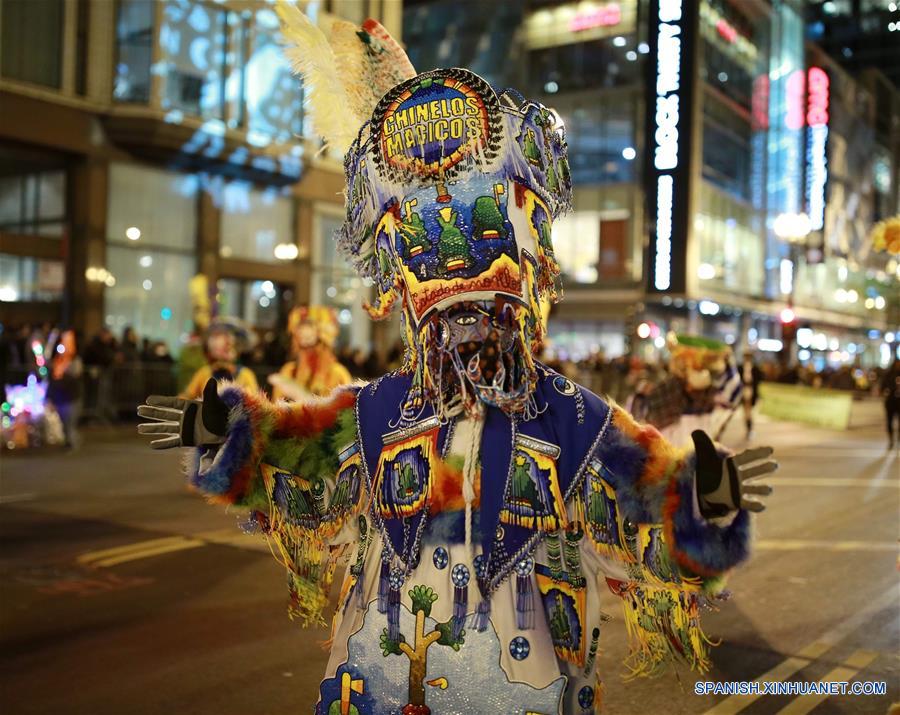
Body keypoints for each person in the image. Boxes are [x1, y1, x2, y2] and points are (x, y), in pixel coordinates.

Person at [138, 12, 777, 714]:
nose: (465, 323)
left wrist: (707, 507)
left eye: (485, 300)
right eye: (445, 310)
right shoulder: (375, 411)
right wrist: (228, 436)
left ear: (526, 293)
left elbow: (657, 519)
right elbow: (295, 460)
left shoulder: (573, 420)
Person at [268, 306, 352, 401]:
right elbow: (277, 410)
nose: (308, 352)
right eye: (302, 346)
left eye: (316, 344)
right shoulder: (289, 371)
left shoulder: (338, 374)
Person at [180, 318, 258, 399]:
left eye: (230, 347)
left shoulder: (246, 375)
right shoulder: (204, 373)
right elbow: (187, 397)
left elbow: (254, 402)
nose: (228, 345)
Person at [46, 330, 83, 449]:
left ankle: (72, 443)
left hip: (71, 396)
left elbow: (75, 376)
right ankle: (68, 441)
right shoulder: (57, 361)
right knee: (64, 422)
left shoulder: (74, 361)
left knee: (70, 422)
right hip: (61, 396)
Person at [740, 352, 764, 440]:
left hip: (751, 391)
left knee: (751, 413)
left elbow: (760, 379)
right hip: (744, 391)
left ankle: (750, 428)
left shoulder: (755, 369)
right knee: (746, 413)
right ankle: (748, 428)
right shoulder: (740, 368)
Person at [881, 358, 900, 449]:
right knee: (889, 421)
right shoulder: (889, 374)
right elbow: (883, 386)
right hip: (891, 401)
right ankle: (891, 440)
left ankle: (899, 439)